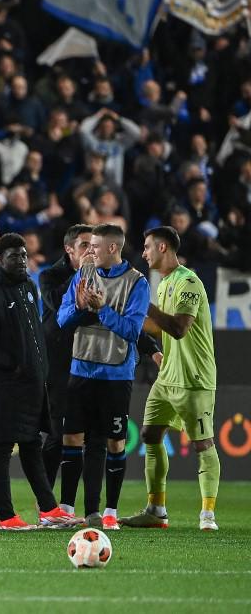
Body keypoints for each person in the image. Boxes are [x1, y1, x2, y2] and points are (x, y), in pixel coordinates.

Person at [0, 234, 78, 530]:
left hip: (32, 382)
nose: (22, 261)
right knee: (1, 448)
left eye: (25, 255)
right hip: (3, 385)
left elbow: (33, 333)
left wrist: (39, 367)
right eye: (15, 256)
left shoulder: (28, 285)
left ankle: (49, 509)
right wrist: (10, 364)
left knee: (30, 443)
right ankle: (6, 516)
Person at [122, 227, 220, 531]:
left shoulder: (188, 282)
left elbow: (179, 328)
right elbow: (164, 332)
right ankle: (157, 510)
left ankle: (207, 515)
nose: (144, 252)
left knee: (202, 444)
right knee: (151, 435)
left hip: (194, 378)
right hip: (167, 377)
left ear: (163, 247)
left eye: (148, 246)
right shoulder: (164, 284)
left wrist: (143, 306)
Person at [57, 224, 150, 529]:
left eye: (95, 246)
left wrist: (103, 309)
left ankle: (109, 511)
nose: (89, 252)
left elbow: (133, 331)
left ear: (113, 248)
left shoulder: (137, 283)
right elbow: (62, 319)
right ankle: (69, 509)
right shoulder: (83, 275)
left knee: (113, 443)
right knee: (72, 438)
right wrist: (81, 308)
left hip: (115, 373)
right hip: (81, 369)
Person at [39, 224, 94, 487]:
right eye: (84, 245)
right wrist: (80, 274)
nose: (90, 251)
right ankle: (46, 503)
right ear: (68, 248)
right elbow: (55, 303)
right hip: (58, 363)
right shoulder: (50, 275)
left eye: (93, 245)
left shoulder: (102, 275)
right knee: (56, 434)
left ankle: (68, 506)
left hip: (89, 361)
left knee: (81, 436)